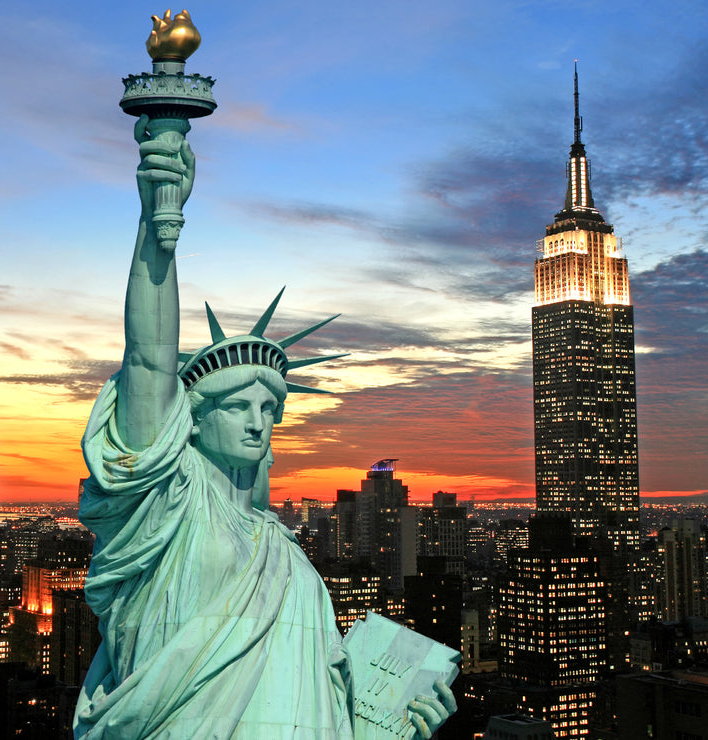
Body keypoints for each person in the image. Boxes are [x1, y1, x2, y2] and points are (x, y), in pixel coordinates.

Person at [73, 115, 455, 739]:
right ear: (191, 421)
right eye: (237, 407)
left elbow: (321, 710)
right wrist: (156, 228)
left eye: (268, 410)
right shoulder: (167, 507)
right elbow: (146, 359)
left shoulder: (283, 549)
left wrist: (398, 727)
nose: (258, 423)